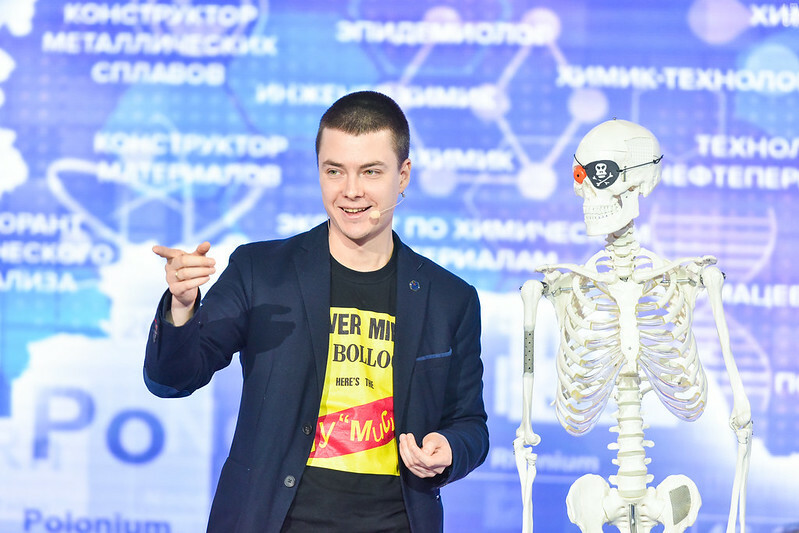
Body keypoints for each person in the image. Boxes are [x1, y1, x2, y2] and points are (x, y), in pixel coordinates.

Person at [144, 90, 489, 532]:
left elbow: (470, 424)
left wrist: (450, 447)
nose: (351, 191)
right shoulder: (261, 271)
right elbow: (170, 380)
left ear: (403, 175)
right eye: (334, 171)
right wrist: (181, 306)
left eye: (371, 172)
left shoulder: (450, 298)